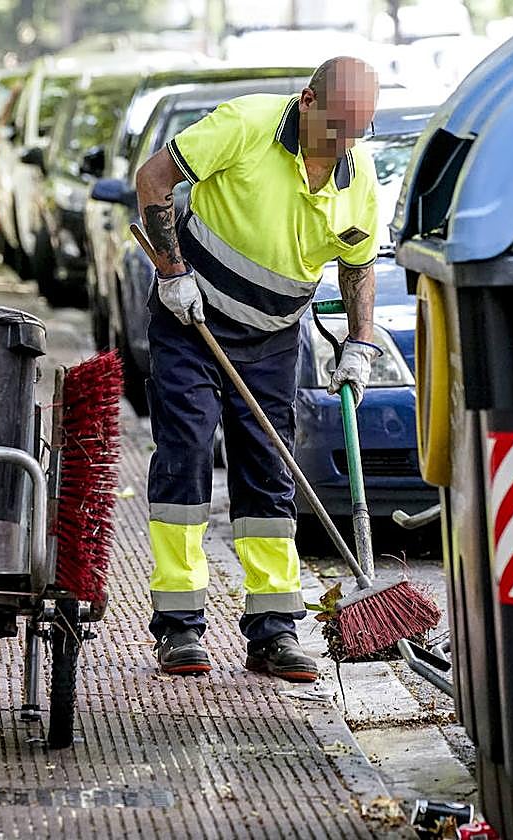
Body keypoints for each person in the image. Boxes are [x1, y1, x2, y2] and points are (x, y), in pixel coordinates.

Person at [134, 56, 382, 683]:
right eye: (337, 127)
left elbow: (357, 263)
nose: (344, 143)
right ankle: (179, 627)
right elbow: (153, 179)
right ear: (307, 101)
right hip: (192, 321)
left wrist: (359, 343)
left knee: (270, 473)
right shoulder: (245, 125)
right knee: (187, 451)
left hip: (273, 341)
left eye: (358, 131)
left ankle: (274, 630)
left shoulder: (358, 175)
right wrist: (173, 273)